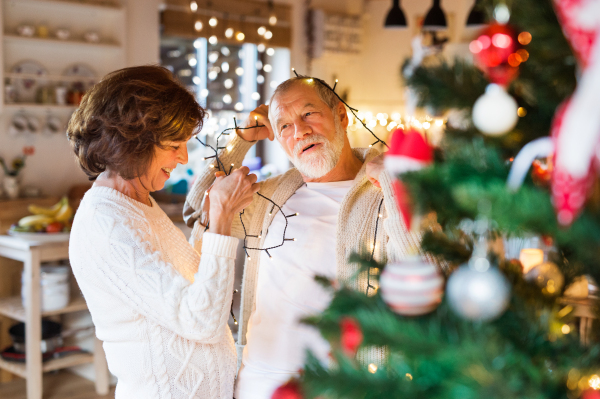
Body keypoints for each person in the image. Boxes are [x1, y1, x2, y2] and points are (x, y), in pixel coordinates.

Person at [184, 76, 420, 398]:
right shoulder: (270, 197)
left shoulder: (384, 189)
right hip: (259, 382)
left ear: (341, 115)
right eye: (284, 126)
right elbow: (199, 209)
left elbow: (422, 269)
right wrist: (242, 139)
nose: (300, 131)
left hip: (346, 386)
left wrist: (394, 184)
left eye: (309, 114)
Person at [67, 65, 259, 399]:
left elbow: (193, 282)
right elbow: (202, 322)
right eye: (174, 144)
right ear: (133, 143)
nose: (183, 158)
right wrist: (223, 219)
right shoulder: (106, 223)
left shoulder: (135, 202)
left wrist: (240, 140)